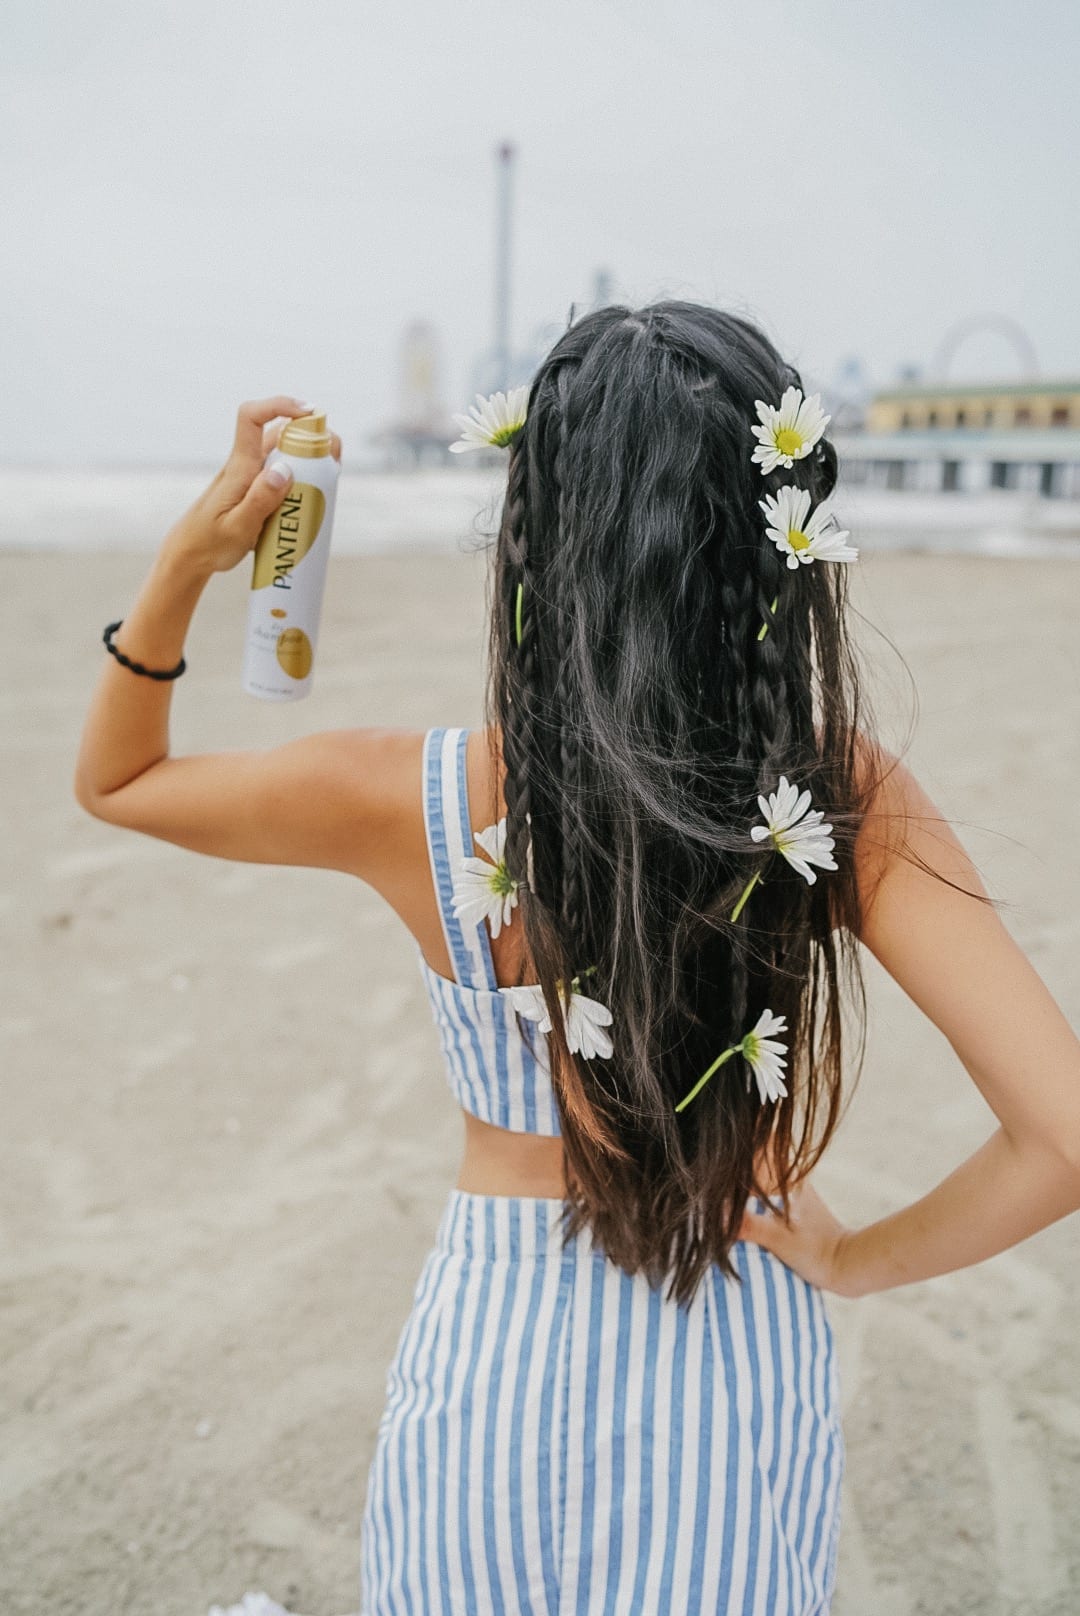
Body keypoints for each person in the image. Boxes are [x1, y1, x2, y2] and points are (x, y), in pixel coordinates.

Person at [74, 301, 1080, 1616]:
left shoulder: (416, 795)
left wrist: (186, 562)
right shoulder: (835, 792)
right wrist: (852, 1259)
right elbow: (1062, 1134)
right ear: (764, 545)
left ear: (534, 533)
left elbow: (120, 780)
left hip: (492, 1348)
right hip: (728, 1320)